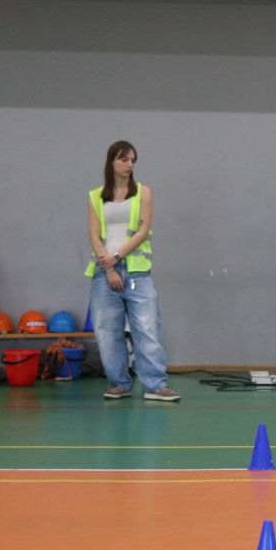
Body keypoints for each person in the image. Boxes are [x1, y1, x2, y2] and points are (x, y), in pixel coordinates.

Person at [87, 140, 179, 402]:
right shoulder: (95, 196)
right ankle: (118, 384)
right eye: (124, 159)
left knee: (147, 328)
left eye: (133, 160)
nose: (129, 165)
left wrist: (117, 257)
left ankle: (156, 385)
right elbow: (94, 236)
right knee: (107, 332)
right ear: (112, 162)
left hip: (137, 273)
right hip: (104, 273)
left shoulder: (143, 193)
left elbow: (142, 231)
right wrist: (109, 268)